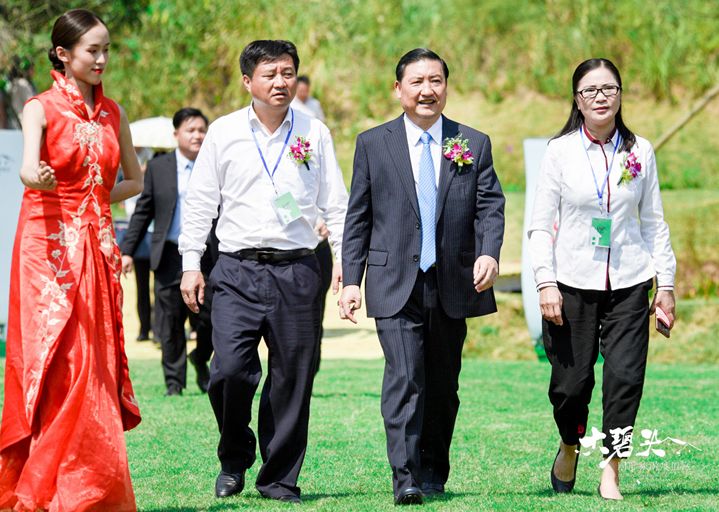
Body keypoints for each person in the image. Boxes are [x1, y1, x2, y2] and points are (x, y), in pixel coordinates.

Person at [179, 40, 347, 503]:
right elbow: (200, 203)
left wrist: (344, 264)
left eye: (287, 73)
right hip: (236, 269)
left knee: (293, 378)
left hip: (299, 270)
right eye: (270, 74)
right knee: (228, 371)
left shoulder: (314, 131)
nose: (280, 82)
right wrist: (191, 264)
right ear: (247, 81)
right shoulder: (224, 132)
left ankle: (279, 478)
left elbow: (336, 204)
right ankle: (234, 458)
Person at [339, 48, 505, 505]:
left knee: (443, 385)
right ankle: (406, 476)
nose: (427, 90)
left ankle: (433, 472)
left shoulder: (472, 142)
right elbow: (358, 217)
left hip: (452, 282)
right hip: (394, 281)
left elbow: (490, 206)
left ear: (446, 87)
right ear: (399, 89)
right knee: (406, 376)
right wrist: (351, 280)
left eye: (436, 81)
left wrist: (489, 253)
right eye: (417, 81)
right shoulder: (373, 143)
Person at [0, 9, 143, 511]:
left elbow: (134, 180)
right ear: (63, 54)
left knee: (93, 363)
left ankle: (87, 484)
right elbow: (27, 170)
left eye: (106, 50)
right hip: (48, 252)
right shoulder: (38, 108)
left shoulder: (114, 114)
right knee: (58, 362)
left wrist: (96, 197)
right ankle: (49, 484)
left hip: (96, 248)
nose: (102, 59)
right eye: (92, 50)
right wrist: (41, 178)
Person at [527, 58, 676, 501]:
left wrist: (665, 284)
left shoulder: (640, 150)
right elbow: (540, 225)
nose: (600, 97)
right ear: (577, 100)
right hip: (571, 282)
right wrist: (545, 282)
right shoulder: (560, 151)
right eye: (589, 90)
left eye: (608, 88)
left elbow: (654, 222)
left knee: (626, 379)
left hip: (630, 281)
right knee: (570, 386)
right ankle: (569, 443)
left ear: (620, 95)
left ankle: (612, 466)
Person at [121, 108, 214, 396]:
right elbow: (143, 211)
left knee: (210, 318)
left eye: (201, 130)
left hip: (209, 255)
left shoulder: (215, 164)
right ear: (176, 134)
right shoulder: (159, 168)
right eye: (191, 130)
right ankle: (174, 383)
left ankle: (200, 357)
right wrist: (127, 251)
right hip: (170, 255)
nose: (197, 135)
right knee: (170, 321)